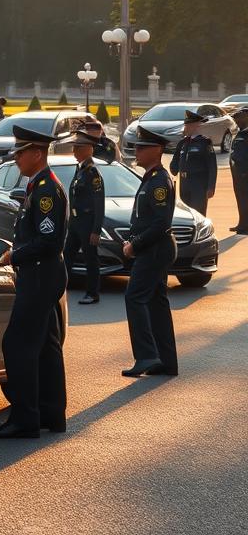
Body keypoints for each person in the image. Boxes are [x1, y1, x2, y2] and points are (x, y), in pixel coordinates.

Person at [0, 124, 68, 439]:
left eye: (21, 153)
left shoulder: (46, 190)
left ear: (37, 153)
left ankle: (24, 418)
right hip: (42, 273)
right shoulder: (40, 185)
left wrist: (14, 256)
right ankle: (51, 413)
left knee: (17, 344)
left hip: (38, 274)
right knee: (46, 346)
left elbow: (48, 241)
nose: (16, 159)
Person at [121, 125, 178, 378]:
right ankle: (165, 362)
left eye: (142, 147)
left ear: (157, 150)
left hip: (155, 249)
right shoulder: (151, 178)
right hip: (155, 248)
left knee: (134, 297)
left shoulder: (159, 182)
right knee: (156, 303)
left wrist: (136, 244)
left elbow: (161, 223)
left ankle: (146, 355)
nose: (137, 151)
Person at [68, 131, 107, 305]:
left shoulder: (92, 173)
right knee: (66, 256)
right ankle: (58, 288)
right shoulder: (80, 169)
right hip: (75, 223)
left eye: (77, 148)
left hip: (87, 223)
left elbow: (99, 203)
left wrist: (96, 230)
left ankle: (92, 293)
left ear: (88, 149)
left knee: (90, 259)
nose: (74, 151)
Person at [170, 110, 216, 215]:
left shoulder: (205, 143)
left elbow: (212, 166)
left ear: (195, 126)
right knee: (186, 212)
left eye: (188, 126)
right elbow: (175, 159)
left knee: (198, 212)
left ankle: (200, 231)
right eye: (185, 125)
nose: (185, 128)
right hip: (184, 183)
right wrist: (174, 168)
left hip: (199, 184)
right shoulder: (182, 143)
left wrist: (211, 187)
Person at [229, 107, 248, 233]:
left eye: (238, 118)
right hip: (238, 173)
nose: (236, 121)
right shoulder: (240, 132)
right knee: (241, 199)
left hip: (245, 173)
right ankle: (242, 223)